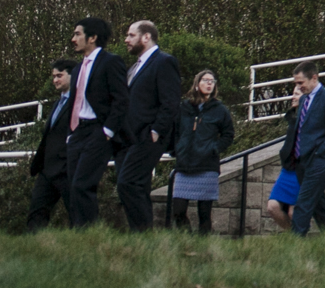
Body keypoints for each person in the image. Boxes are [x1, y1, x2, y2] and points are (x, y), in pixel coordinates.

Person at [116, 19, 183, 232]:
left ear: (146, 37)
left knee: (128, 183)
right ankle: (143, 238)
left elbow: (170, 102)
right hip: (126, 140)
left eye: (130, 35)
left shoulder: (164, 62)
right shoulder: (133, 68)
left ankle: (142, 234)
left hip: (147, 137)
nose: (126, 40)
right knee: (137, 186)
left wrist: (156, 131)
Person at [64, 16, 128, 229]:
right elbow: (74, 102)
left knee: (83, 184)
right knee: (73, 185)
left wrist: (107, 131)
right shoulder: (77, 68)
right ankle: (78, 233)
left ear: (92, 37)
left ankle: (89, 233)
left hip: (98, 132)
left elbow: (121, 99)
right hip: (78, 132)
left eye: (77, 34)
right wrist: (70, 133)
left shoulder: (111, 62)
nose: (73, 39)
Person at [169, 69, 235, 233]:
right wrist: (177, 149)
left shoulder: (219, 109)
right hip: (184, 165)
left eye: (212, 81)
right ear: (197, 84)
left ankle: (203, 248)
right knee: (178, 210)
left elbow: (228, 134)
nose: (209, 84)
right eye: (205, 80)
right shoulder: (184, 107)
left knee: (204, 213)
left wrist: (214, 148)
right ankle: (188, 240)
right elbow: (175, 131)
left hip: (207, 166)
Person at [285, 61, 325, 237]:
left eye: (300, 82)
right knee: (320, 207)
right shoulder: (304, 100)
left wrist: (320, 151)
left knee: (303, 203)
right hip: (302, 161)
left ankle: (296, 244)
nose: (298, 87)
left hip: (320, 160)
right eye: (296, 83)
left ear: (314, 78)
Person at [26, 59, 76, 232]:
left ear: (73, 75)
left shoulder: (80, 103)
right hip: (47, 169)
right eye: (54, 76)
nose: (55, 80)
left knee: (77, 215)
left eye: (60, 76)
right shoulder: (57, 104)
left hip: (68, 169)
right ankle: (33, 251)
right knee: (36, 214)